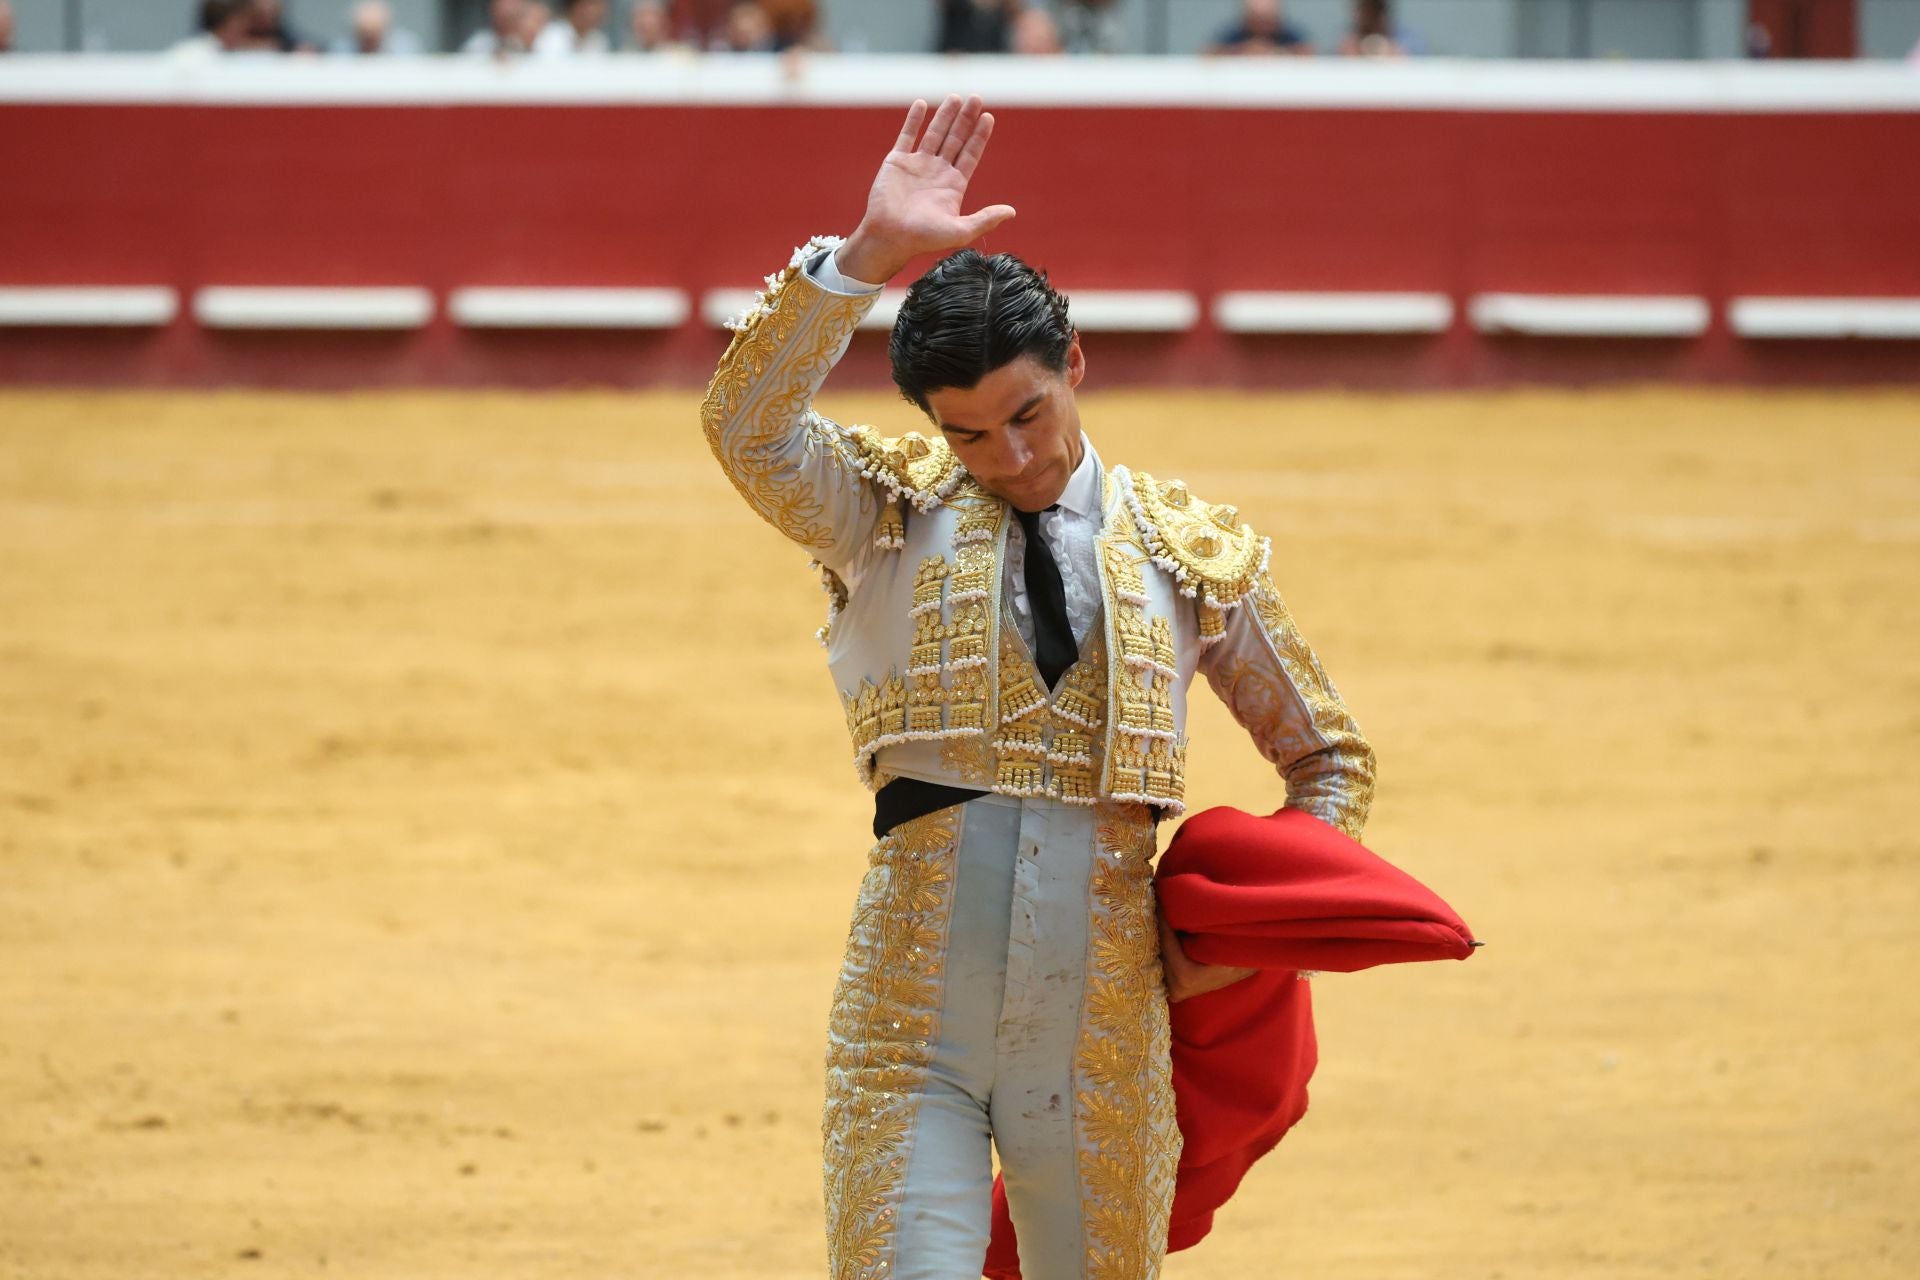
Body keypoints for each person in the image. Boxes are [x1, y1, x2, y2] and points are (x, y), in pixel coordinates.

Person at [699, 94, 1375, 1279]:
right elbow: (747, 432)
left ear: (1074, 361)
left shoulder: (1189, 550)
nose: (1010, 457)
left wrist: (1249, 938)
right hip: (909, 1025)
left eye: (1028, 413)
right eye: (968, 435)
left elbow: (1328, 759)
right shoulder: (882, 512)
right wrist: (861, 262)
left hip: (1105, 1026)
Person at [1209, 0, 1312, 56]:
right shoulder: (1235, 33)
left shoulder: (1287, 33)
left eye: (1266, 19)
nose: (1262, 24)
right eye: (1257, 19)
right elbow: (1209, 54)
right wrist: (1243, 51)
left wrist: (1276, 52)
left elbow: (1308, 52)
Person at [330, 0, 421, 54]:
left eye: (375, 32)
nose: (369, 38)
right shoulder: (343, 48)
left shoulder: (404, 46)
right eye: (364, 33)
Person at [1337, 0, 1421, 57]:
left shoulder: (1405, 38)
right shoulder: (1349, 38)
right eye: (1365, 11)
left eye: (1374, 11)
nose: (1370, 17)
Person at [532, 0, 610, 55]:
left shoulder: (598, 40)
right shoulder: (552, 37)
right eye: (594, 3)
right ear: (577, 6)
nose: (601, 10)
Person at [462, 0, 529, 56]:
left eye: (512, 5)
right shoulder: (479, 42)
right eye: (501, 6)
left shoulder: (535, 39)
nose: (506, 11)